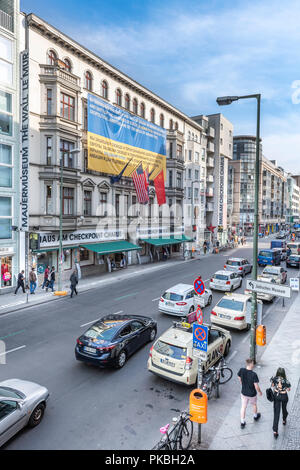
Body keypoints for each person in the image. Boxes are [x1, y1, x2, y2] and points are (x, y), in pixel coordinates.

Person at [238, 358, 262, 428]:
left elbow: (239, 377)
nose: (253, 364)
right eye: (253, 363)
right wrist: (260, 392)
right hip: (252, 394)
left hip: (244, 393)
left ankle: (242, 422)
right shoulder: (253, 374)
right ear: (251, 364)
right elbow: (256, 386)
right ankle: (255, 416)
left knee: (243, 407)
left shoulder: (241, 370)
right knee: (254, 405)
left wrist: (242, 383)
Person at [271, 368, 291, 438]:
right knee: (284, 408)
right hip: (284, 396)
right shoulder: (286, 381)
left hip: (276, 396)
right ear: (283, 373)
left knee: (276, 413)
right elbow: (289, 389)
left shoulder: (274, 378)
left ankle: (275, 431)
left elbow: (272, 385)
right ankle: (284, 419)